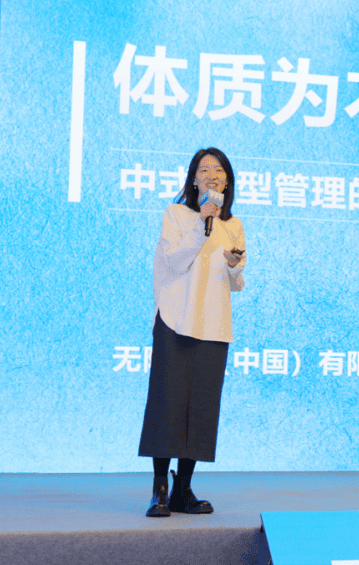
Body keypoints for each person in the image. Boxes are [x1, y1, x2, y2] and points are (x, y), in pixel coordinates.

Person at [138, 147, 247, 517]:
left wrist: (234, 266)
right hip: (176, 319)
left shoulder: (234, 225)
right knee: (167, 404)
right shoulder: (177, 215)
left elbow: (235, 283)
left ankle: (183, 488)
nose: (211, 175)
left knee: (201, 409)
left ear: (227, 181)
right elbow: (175, 261)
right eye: (204, 170)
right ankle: (159, 489)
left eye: (218, 170)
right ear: (194, 180)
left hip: (214, 325)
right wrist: (203, 221)